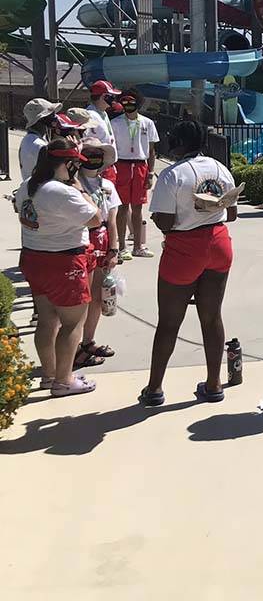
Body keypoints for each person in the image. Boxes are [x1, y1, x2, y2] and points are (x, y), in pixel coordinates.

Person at [137, 121, 239, 405]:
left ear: (179, 143)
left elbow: (166, 221)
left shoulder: (172, 174)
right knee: (212, 317)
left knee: (169, 322)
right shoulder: (220, 169)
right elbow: (231, 214)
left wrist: (160, 219)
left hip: (184, 247)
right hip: (218, 243)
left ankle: (155, 388)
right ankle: (214, 384)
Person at [15, 139, 102, 396]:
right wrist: (80, 189)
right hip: (63, 261)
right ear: (66, 164)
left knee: (46, 320)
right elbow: (96, 219)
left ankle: (50, 375)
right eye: (74, 164)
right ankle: (64, 381)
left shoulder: (27, 186)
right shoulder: (62, 191)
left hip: (34, 258)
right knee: (72, 323)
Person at [76, 136, 119, 370]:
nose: (94, 158)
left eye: (98, 154)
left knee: (96, 296)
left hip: (101, 241)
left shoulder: (107, 185)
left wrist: (114, 249)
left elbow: (112, 220)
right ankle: (74, 348)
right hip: (81, 239)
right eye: (89, 153)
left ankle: (88, 341)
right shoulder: (73, 184)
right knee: (79, 297)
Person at [109, 90, 159, 260]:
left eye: (131, 103)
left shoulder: (147, 123)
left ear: (138, 104)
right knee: (122, 207)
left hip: (140, 166)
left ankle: (138, 246)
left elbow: (151, 151)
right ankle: (122, 247)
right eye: (124, 103)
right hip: (121, 165)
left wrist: (150, 173)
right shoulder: (115, 123)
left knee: (138, 208)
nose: (128, 106)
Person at [85, 80, 120, 182]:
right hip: (99, 168)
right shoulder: (91, 115)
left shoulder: (102, 113)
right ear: (105, 97)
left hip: (107, 166)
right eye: (111, 96)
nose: (114, 99)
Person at [18, 98, 63, 180]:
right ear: (41, 119)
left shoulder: (29, 139)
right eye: (51, 115)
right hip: (40, 186)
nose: (55, 117)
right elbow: (55, 173)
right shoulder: (39, 145)